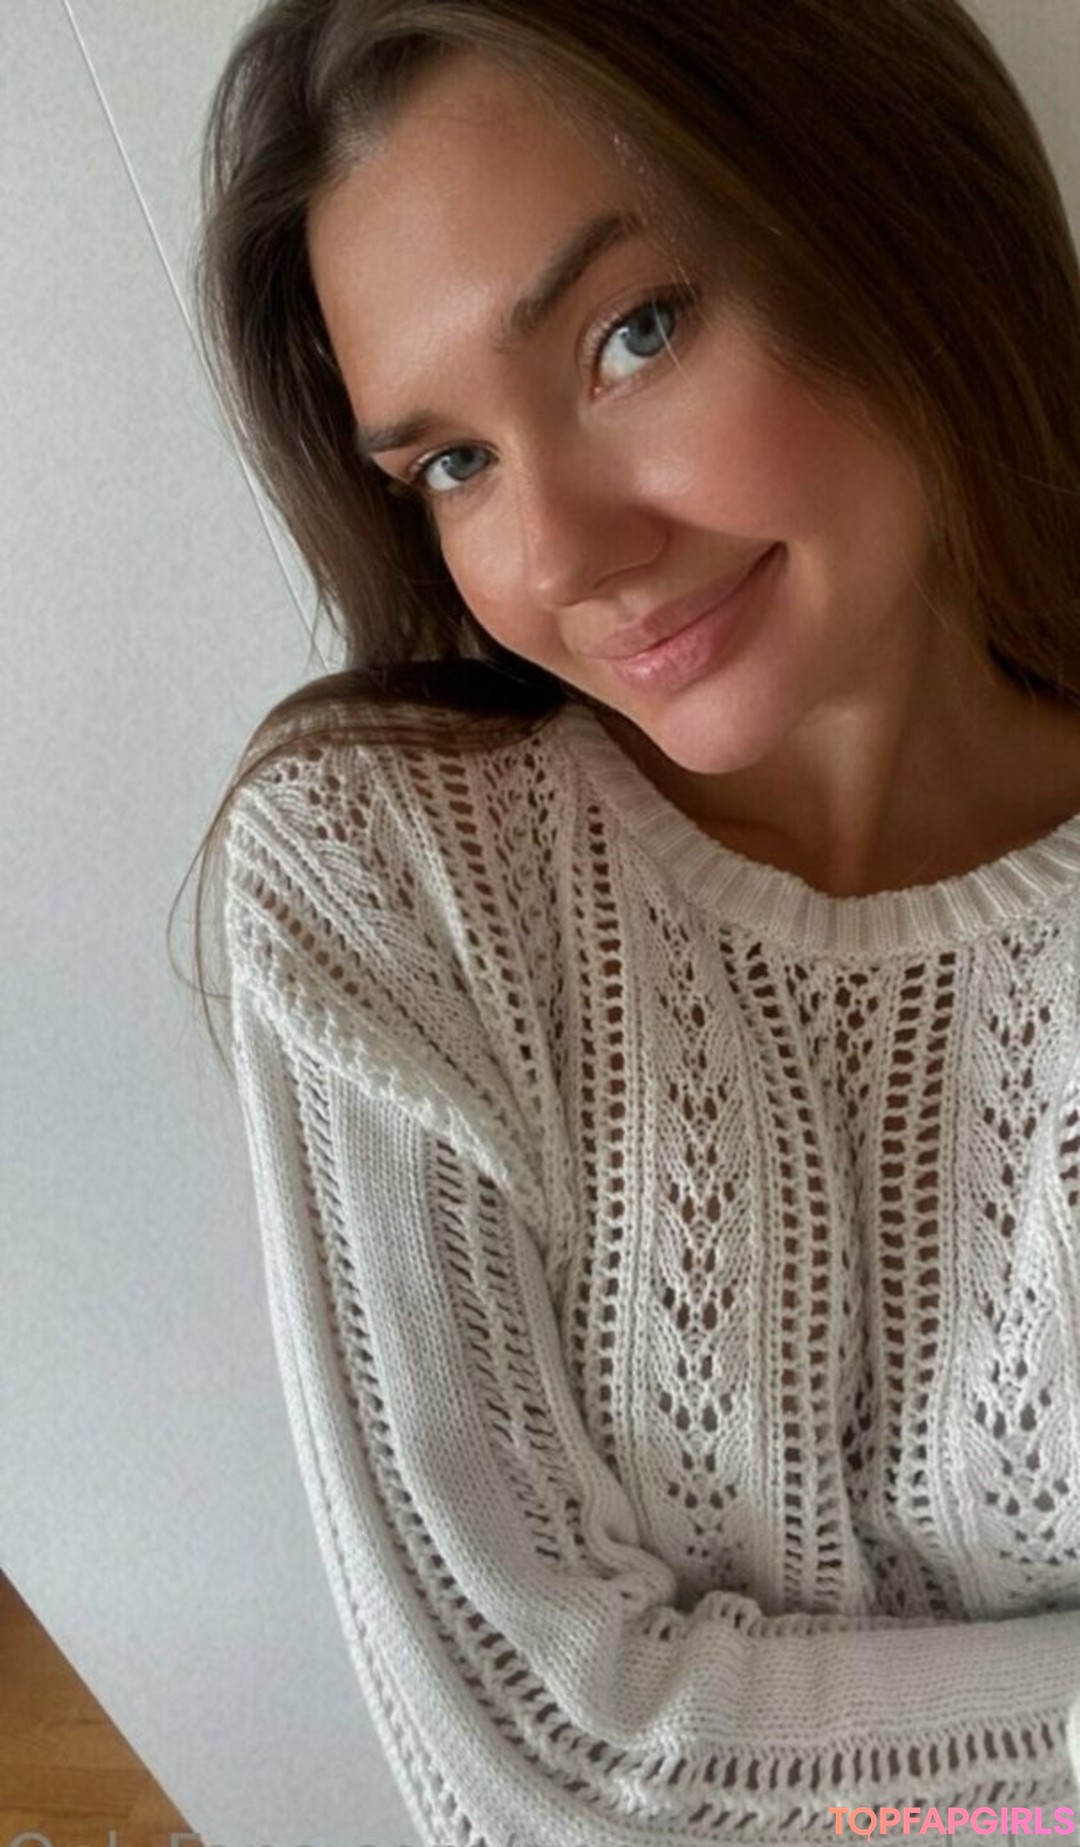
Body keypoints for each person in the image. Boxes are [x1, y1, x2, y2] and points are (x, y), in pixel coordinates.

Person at [180, 0, 1080, 1838]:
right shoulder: (389, 880)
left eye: (633, 334)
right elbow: (537, 1772)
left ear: (899, 212)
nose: (562, 557)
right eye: (452, 464)